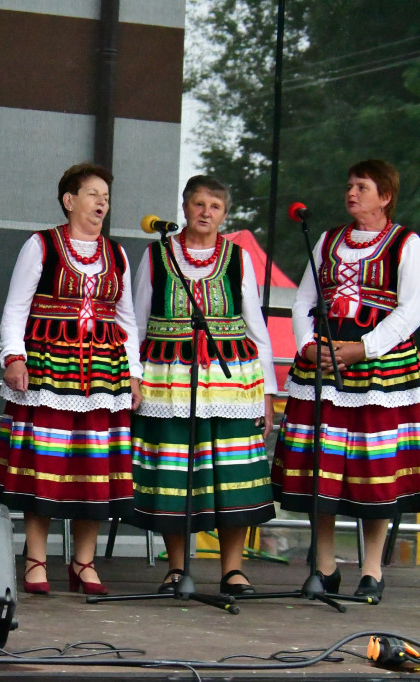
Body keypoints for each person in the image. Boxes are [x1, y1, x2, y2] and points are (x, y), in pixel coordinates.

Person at [0, 163, 142, 595]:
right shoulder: (41, 246)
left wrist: (134, 374)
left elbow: (126, 317)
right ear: (69, 200)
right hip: (50, 369)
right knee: (45, 467)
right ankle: (35, 559)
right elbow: (16, 308)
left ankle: (83, 563)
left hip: (104, 376)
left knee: (92, 470)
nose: (101, 203)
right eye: (93, 194)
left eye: (106, 197)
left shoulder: (117, 254)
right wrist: (13, 357)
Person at [272, 159, 420, 603]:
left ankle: (372, 570)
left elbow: (413, 308)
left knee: (374, 471)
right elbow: (303, 299)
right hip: (323, 361)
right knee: (323, 465)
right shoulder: (327, 239)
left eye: (362, 186)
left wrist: (366, 347)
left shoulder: (405, 243)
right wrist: (305, 345)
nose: (351, 192)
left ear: (385, 196)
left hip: (380, 366)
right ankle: (325, 566)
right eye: (350, 185)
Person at [131, 175, 276, 596]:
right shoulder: (157, 255)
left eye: (214, 206)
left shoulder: (236, 257)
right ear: (184, 208)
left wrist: (267, 395)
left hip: (232, 381)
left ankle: (233, 570)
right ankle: (177, 569)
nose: (205, 213)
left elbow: (257, 325)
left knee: (232, 475)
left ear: (225, 215)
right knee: (174, 476)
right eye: (198, 204)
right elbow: (138, 321)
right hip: (168, 380)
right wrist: (134, 376)